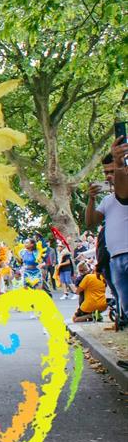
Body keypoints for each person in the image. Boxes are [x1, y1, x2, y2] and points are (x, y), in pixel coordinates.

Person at [90, 139, 128, 328]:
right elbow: (91, 222)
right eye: (106, 173)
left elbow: (123, 194)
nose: (109, 176)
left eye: (112, 171)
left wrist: (119, 162)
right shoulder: (107, 200)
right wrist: (91, 199)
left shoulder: (124, 192)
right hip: (114, 260)